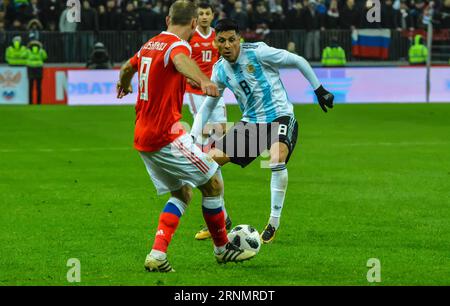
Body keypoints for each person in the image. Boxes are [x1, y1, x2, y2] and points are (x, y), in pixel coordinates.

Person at [116, 1, 256, 273]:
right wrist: (203, 80)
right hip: (166, 136)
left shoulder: (150, 44)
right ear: (193, 23)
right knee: (213, 183)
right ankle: (223, 248)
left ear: (168, 18)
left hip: (143, 138)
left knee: (181, 193)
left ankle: (157, 254)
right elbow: (181, 61)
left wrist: (123, 84)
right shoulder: (178, 46)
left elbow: (125, 68)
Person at [190, 19, 334, 244]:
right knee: (206, 164)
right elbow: (207, 105)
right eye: (221, 41)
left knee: (277, 158)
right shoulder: (219, 70)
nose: (227, 45)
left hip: (279, 117)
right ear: (215, 43)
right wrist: (192, 136)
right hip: (251, 125)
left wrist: (319, 89)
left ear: (239, 39)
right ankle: (222, 220)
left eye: (231, 40)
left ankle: (273, 223)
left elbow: (297, 60)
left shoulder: (259, 52)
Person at [183, 2, 232, 241]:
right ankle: (221, 215)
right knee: (206, 151)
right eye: (200, 13)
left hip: (217, 94)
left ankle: (221, 214)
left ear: (213, 16)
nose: (203, 17)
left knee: (218, 148)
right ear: (196, 16)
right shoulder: (191, 37)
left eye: (207, 13)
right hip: (196, 95)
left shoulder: (217, 38)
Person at [26, 33, 47, 105]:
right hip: (39, 68)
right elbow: (45, 57)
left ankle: (30, 102)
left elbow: (23, 56)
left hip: (30, 67)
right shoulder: (41, 50)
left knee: (30, 86)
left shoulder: (28, 50)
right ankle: (39, 102)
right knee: (38, 86)